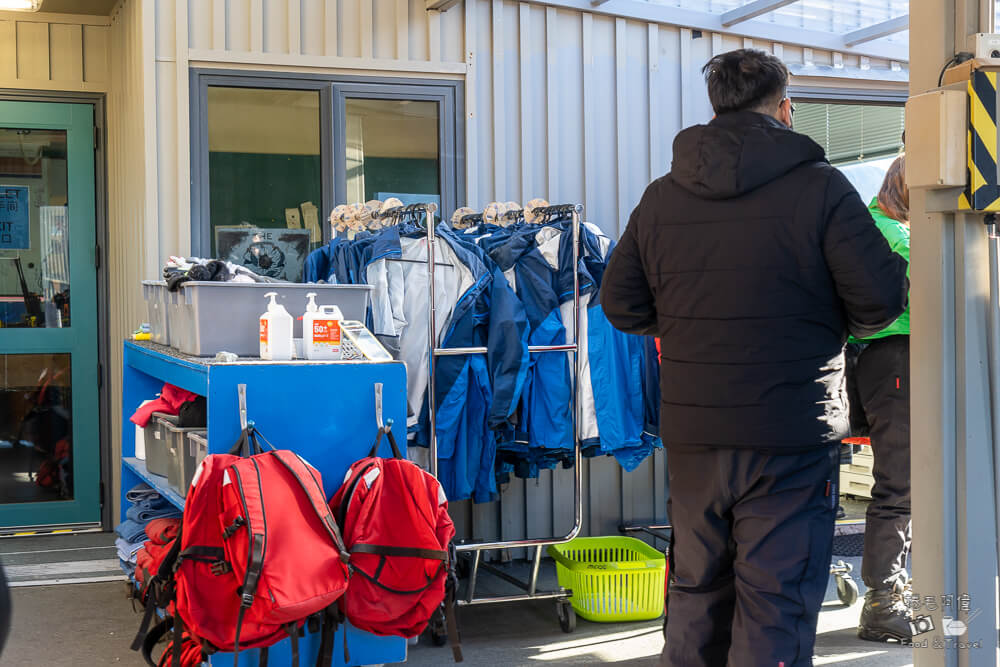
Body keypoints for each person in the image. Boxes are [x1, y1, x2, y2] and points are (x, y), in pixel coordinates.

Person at [600, 49, 909, 667]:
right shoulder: (822, 189)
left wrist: (693, 327)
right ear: (785, 109)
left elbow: (621, 304)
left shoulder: (663, 196)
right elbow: (880, 301)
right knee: (777, 599)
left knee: (695, 592)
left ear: (715, 109)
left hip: (696, 434)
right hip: (790, 432)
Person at [851, 156, 913, 643]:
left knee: (905, 482)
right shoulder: (893, 235)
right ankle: (882, 602)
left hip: (890, 362)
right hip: (894, 361)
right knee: (899, 483)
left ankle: (890, 590)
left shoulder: (879, 225)